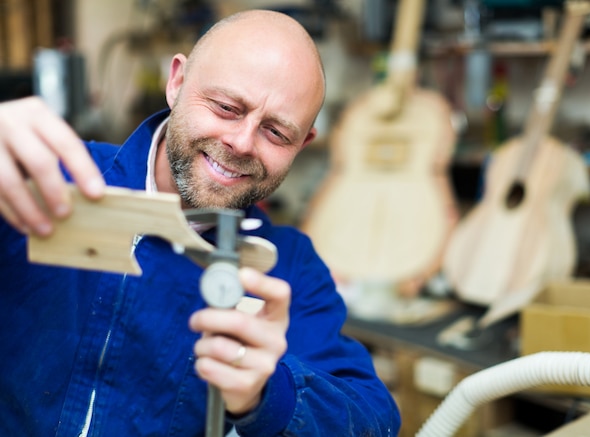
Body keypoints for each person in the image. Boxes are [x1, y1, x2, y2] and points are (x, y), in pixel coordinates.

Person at [0, 9, 401, 437]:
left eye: (277, 134)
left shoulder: (288, 269)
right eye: (226, 107)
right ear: (176, 82)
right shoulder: (40, 180)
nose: (241, 142)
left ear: (303, 143)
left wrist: (267, 394)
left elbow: (374, 419)